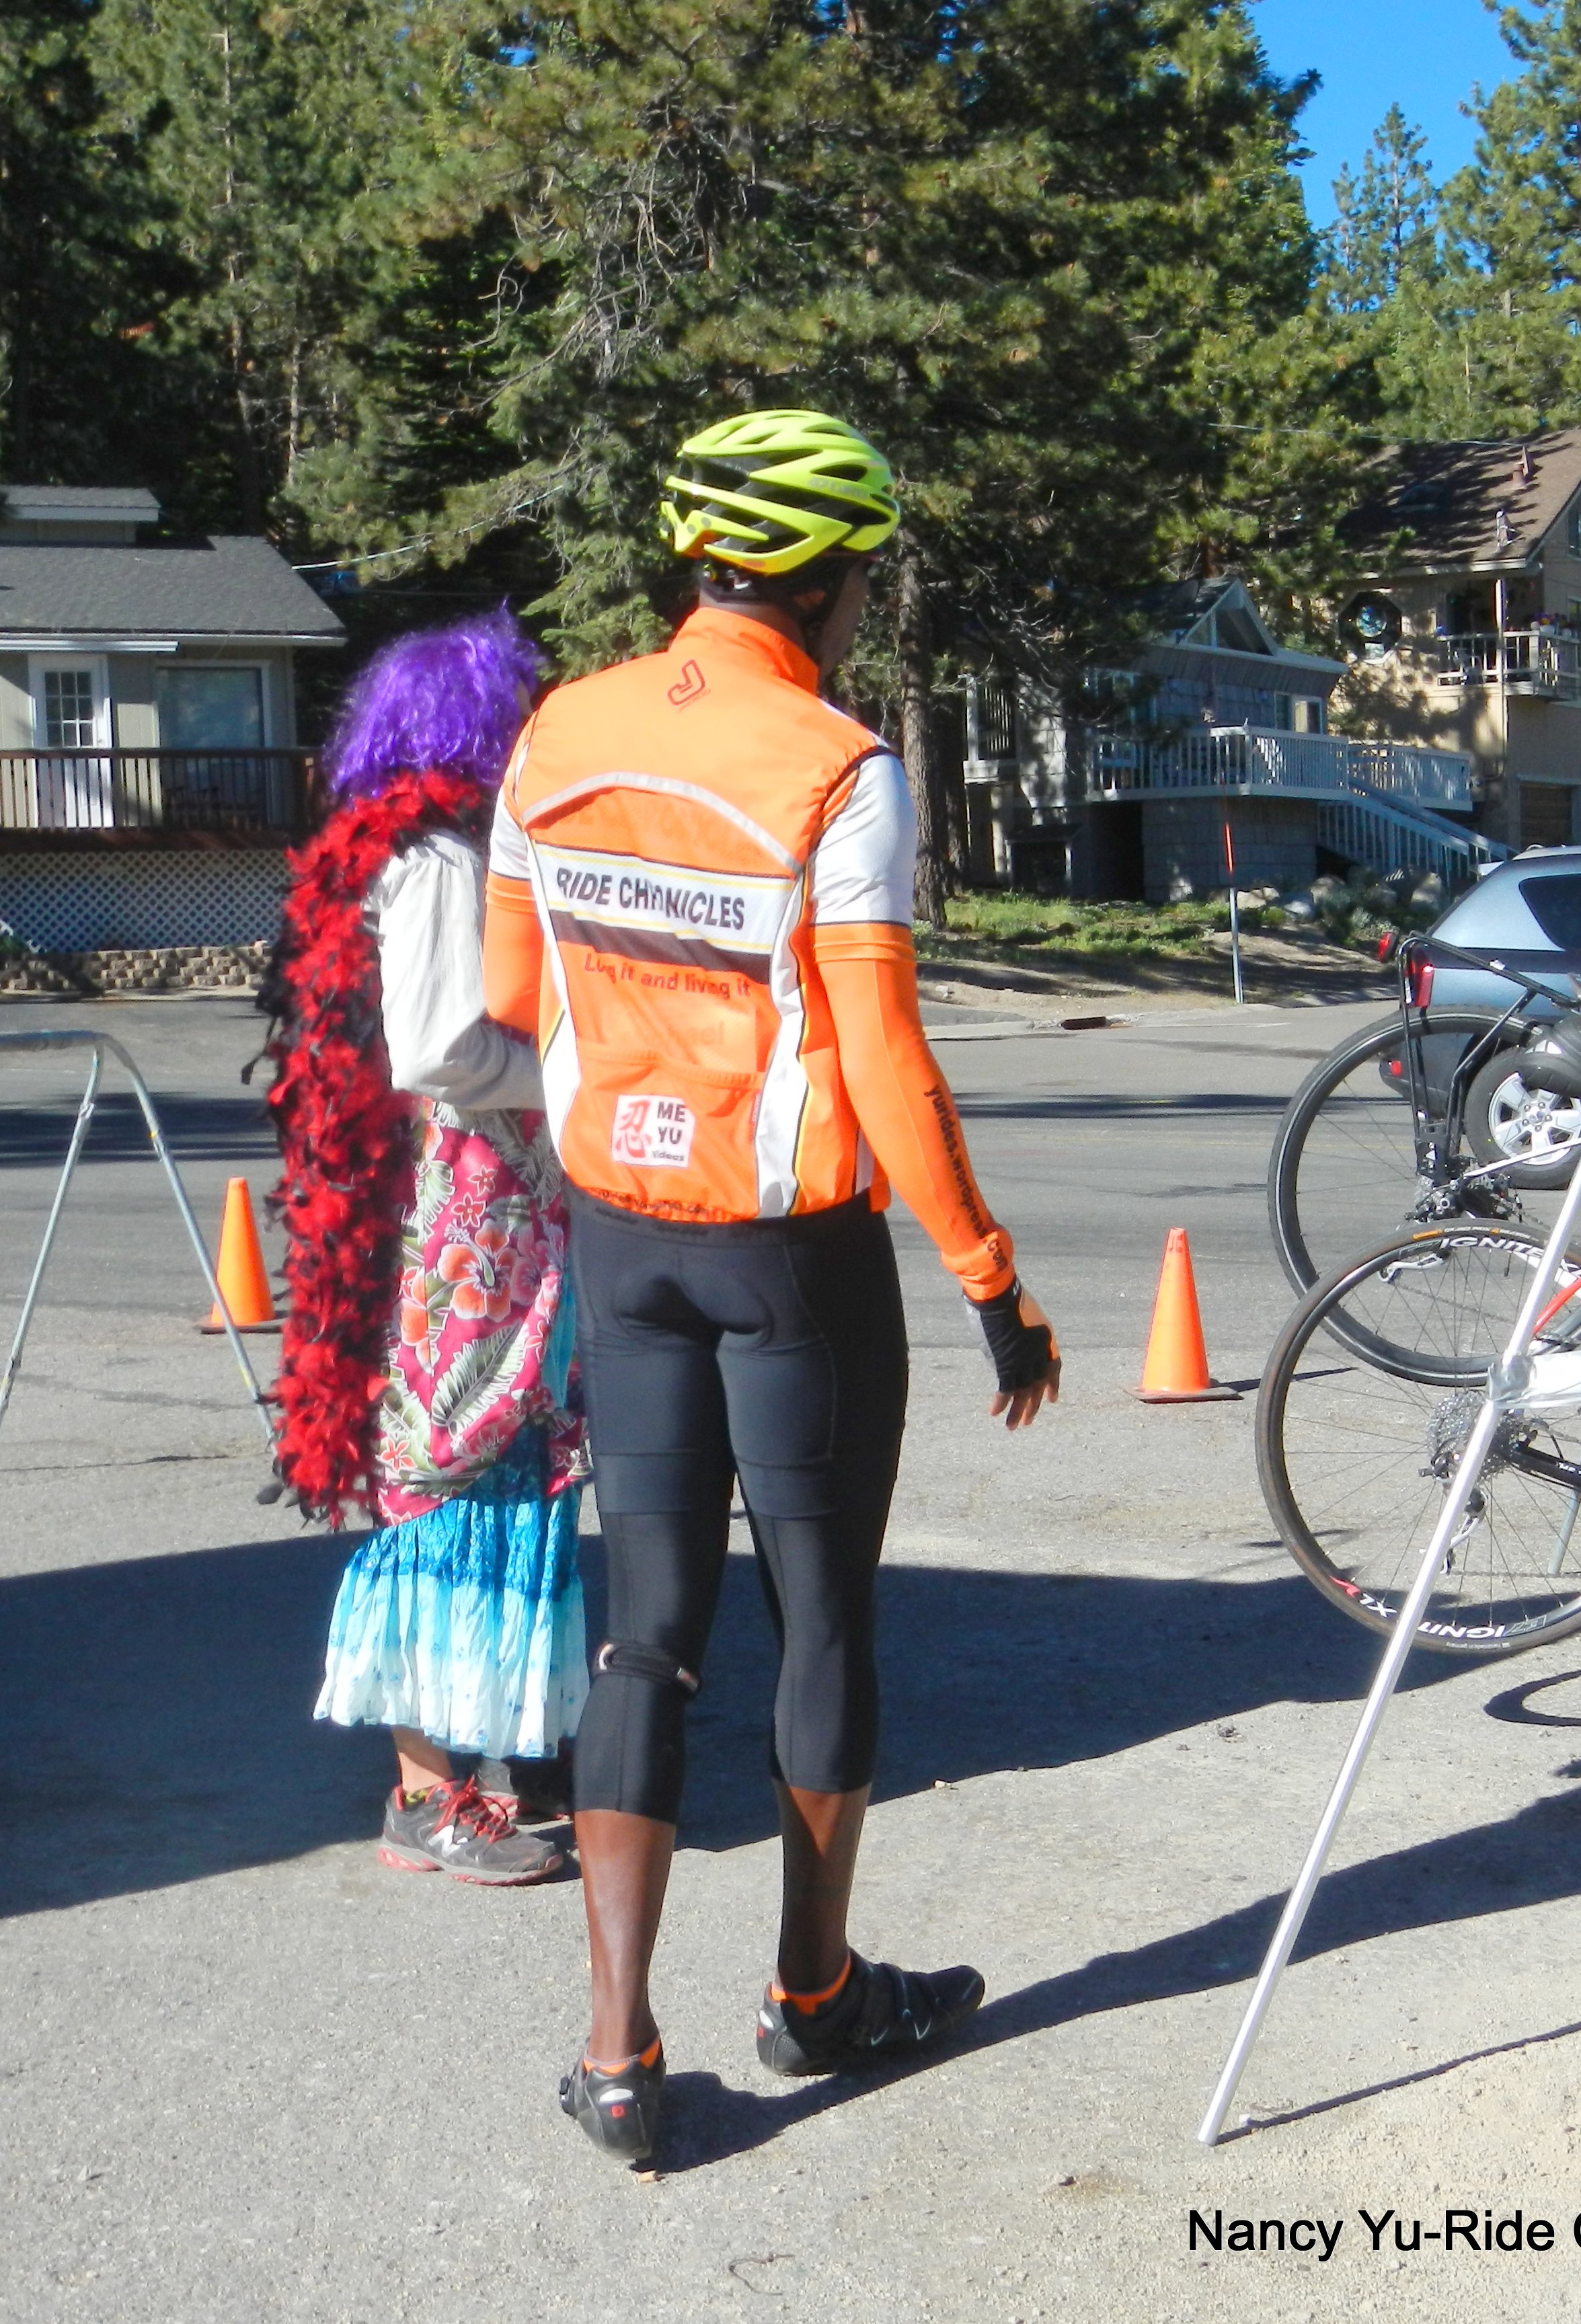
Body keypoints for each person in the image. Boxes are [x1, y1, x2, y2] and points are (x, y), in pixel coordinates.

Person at [481, 409, 1063, 2167]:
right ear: (828, 574)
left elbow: (516, 989)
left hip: (623, 1236)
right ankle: (815, 1995)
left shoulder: (558, 729)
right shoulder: (838, 764)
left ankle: (615, 2053)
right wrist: (990, 1280)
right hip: (791, 1261)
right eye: (866, 569)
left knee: (645, 1630)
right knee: (821, 1621)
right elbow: (884, 1050)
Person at [262, 608, 591, 1887]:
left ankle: (493, 1753)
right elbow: (446, 1049)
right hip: (471, 1216)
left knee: (496, 1467)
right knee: (452, 1468)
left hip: (469, 1210)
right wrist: (576, 1076)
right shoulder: (447, 860)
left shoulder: (424, 850)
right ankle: (428, 1791)